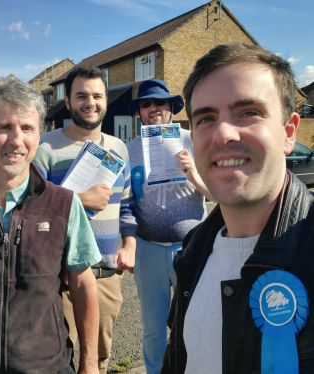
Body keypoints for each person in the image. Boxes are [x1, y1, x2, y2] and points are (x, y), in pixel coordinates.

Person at [161, 43, 314, 374]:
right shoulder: (195, 248)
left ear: (289, 133)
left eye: (249, 112)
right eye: (206, 118)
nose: (223, 134)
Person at [0, 75, 101, 374]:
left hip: (49, 367)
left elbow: (83, 286)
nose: (16, 140)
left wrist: (89, 366)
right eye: (4, 127)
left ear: (39, 136)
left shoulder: (64, 206)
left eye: (27, 128)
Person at [34, 66, 137, 374]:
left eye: (96, 95)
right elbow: (29, 210)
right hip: (57, 280)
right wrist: (78, 201)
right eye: (81, 96)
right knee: (54, 362)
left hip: (105, 277)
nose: (90, 103)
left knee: (97, 363)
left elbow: (128, 205)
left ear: (106, 100)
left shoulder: (118, 148)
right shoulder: (44, 148)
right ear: (68, 102)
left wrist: (130, 244)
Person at [127, 79, 214, 374]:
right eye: (146, 103)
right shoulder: (131, 150)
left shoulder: (194, 141)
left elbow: (215, 194)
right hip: (147, 250)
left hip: (190, 248)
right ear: (140, 110)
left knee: (194, 322)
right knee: (153, 328)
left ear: (171, 107)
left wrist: (193, 174)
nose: (153, 108)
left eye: (159, 102)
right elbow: (124, 201)